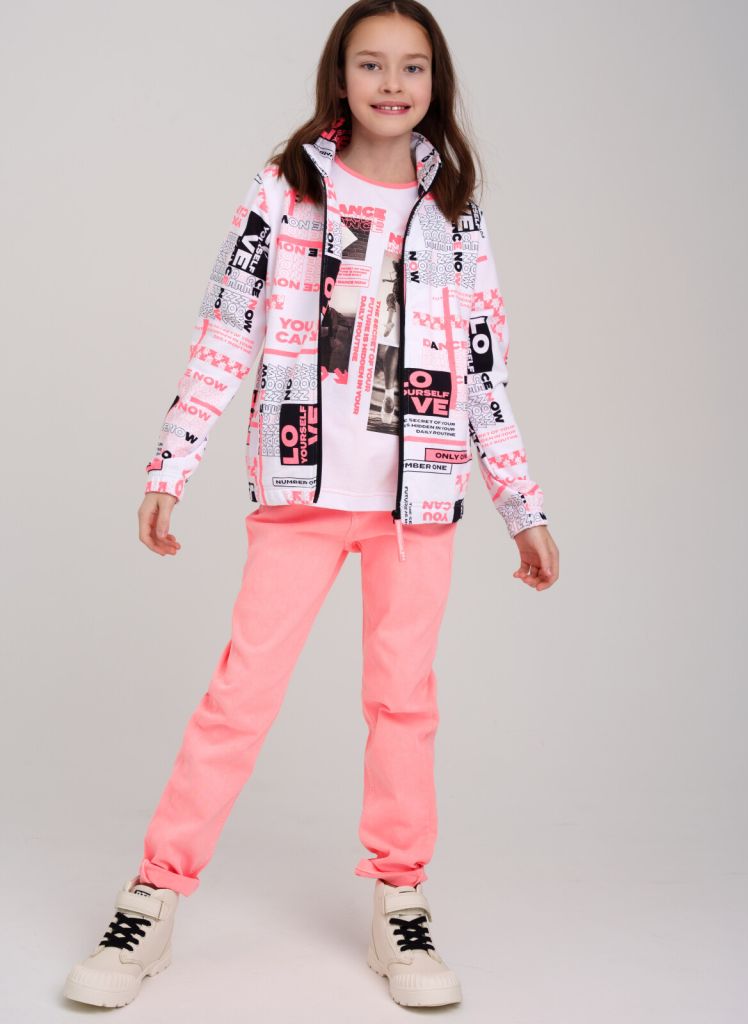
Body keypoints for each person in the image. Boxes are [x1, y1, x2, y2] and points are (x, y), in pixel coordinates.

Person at [64, 0, 560, 1010]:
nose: (392, 84)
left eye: (412, 66)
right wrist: (172, 462)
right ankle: (152, 895)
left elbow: (484, 369)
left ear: (435, 83)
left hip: (418, 506)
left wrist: (521, 501)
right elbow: (227, 325)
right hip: (301, 491)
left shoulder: (454, 212)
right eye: (371, 64)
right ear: (340, 77)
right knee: (240, 696)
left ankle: (399, 899)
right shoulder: (285, 192)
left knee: (403, 702)